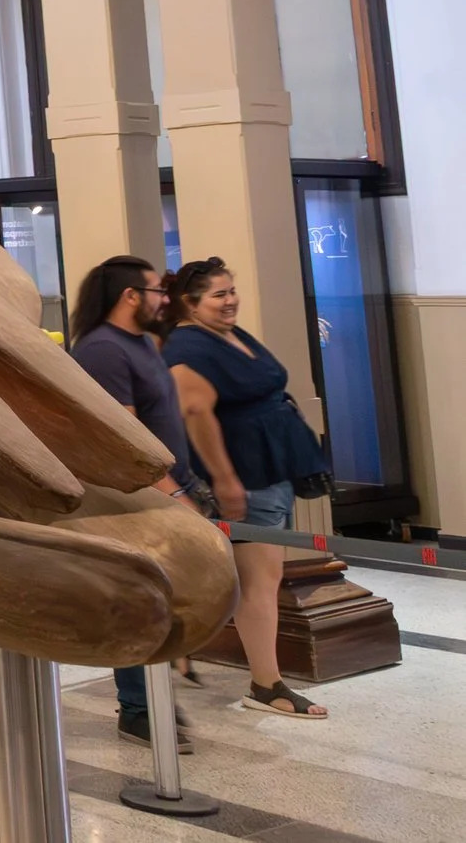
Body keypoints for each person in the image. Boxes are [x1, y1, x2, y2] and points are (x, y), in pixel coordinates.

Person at [164, 257, 333, 721]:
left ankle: (209, 656)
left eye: (231, 291)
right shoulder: (188, 348)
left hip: (273, 468)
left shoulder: (229, 335)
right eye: (218, 294)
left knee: (263, 579)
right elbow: (196, 416)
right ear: (190, 303)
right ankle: (267, 683)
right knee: (259, 583)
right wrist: (226, 480)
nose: (230, 300)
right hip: (247, 477)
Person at [69, 256, 202, 749]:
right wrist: (174, 494)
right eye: (155, 290)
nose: (164, 299)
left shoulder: (141, 343)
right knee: (136, 601)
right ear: (130, 297)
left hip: (167, 490)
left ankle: (157, 695)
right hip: (138, 501)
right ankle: (139, 708)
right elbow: (124, 440)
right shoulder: (103, 351)